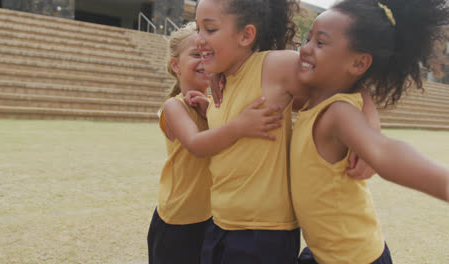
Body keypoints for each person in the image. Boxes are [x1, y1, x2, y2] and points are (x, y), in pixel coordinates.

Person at [194, 0, 380, 263]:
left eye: (209, 30)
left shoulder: (274, 67)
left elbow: (347, 84)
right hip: (220, 224)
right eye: (196, 29)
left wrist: (371, 135)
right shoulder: (219, 83)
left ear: (246, 35)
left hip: (262, 234)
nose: (199, 40)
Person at [290, 1, 449, 263]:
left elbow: (384, 151)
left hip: (356, 258)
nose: (305, 49)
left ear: (358, 63)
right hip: (324, 253)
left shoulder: (339, 113)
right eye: (308, 39)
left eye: (320, 43)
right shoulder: (314, 100)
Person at [147, 22, 285, 264]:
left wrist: (210, 109)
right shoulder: (174, 106)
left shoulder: (213, 104)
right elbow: (197, 145)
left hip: (212, 219)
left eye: (207, 54)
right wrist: (241, 124)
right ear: (176, 65)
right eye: (195, 55)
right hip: (177, 221)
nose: (203, 60)